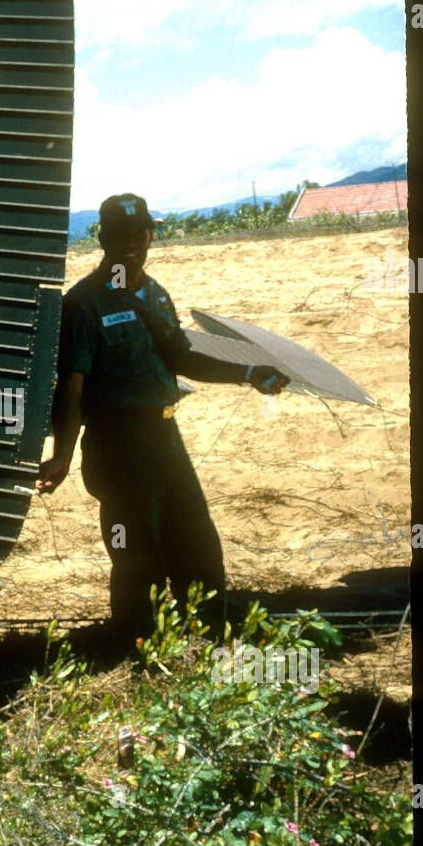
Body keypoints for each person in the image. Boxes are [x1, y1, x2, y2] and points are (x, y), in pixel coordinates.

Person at [36, 192, 289, 655]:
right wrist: (62, 456)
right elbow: (70, 388)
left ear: (151, 235)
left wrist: (248, 373)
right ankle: (140, 650)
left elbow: (182, 358)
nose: (133, 243)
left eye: (141, 233)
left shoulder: (155, 294)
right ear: (103, 239)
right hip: (118, 444)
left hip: (164, 436)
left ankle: (209, 642)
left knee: (198, 542)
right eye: (122, 235)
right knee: (137, 553)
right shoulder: (83, 304)